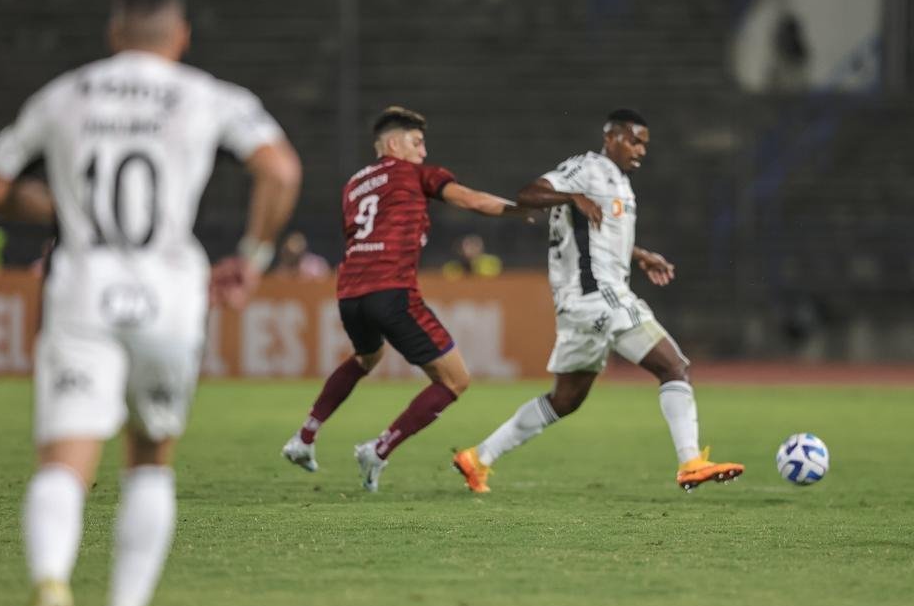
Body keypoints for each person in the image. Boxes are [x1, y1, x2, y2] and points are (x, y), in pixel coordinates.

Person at [0, 0, 301, 606]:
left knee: (64, 462)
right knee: (149, 459)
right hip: (168, 296)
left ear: (114, 34)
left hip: (83, 290)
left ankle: (53, 583)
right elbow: (279, 168)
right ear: (178, 38)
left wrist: (57, 202)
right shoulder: (207, 95)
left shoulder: (64, 96)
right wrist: (253, 258)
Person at [452, 109, 744, 493]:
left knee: (566, 399)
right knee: (673, 366)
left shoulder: (619, 183)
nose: (640, 149)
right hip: (599, 297)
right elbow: (528, 193)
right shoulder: (588, 168)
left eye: (644, 144)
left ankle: (477, 458)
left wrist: (639, 255)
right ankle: (690, 461)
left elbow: (599, 236)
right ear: (611, 138)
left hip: (579, 306)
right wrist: (573, 196)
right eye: (633, 140)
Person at [280, 106, 529, 490]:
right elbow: (471, 200)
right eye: (417, 142)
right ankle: (377, 450)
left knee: (367, 357)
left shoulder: (354, 184)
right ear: (394, 144)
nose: (423, 151)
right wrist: (521, 210)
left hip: (349, 293)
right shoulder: (413, 173)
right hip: (391, 291)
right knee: (455, 380)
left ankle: (304, 437)